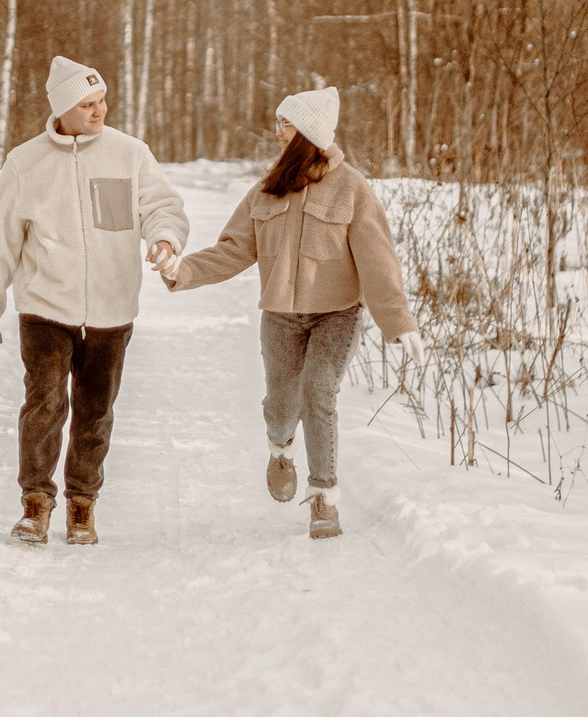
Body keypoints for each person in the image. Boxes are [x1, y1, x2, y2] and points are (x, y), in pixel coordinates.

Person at [159, 86, 421, 539]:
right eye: (278, 122)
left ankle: (324, 497)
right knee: (281, 407)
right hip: (280, 316)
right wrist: (183, 270)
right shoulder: (267, 188)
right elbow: (234, 249)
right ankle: (280, 449)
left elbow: (377, 260)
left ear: (309, 131)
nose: (278, 132)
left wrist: (398, 321)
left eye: (286, 124)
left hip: (336, 315)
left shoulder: (351, 188)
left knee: (318, 392)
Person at [0, 56, 188, 547]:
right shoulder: (25, 162)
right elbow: (0, 241)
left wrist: (165, 237)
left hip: (112, 310)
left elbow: (162, 206)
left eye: (102, 100)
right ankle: (35, 502)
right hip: (45, 308)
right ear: (62, 109)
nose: (99, 111)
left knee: (95, 412)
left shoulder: (129, 154)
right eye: (87, 104)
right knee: (44, 406)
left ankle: (82, 504)